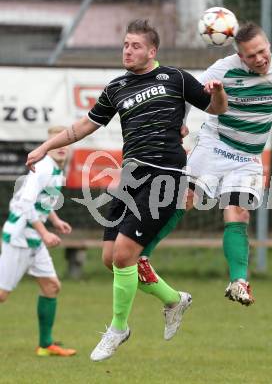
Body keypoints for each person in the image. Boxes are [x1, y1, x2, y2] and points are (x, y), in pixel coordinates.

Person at [26, 19, 227, 362]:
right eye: (125, 45)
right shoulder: (116, 87)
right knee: (111, 260)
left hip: (164, 177)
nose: (128, 51)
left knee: (124, 255)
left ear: (152, 51)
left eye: (135, 46)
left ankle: (119, 328)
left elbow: (217, 108)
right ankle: (173, 299)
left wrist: (218, 91)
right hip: (129, 178)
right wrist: (45, 146)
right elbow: (81, 127)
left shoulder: (175, 78)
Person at [135, 21, 272, 307]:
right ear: (240, 56)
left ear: (268, 44)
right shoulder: (223, 68)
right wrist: (180, 124)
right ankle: (140, 257)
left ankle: (238, 282)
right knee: (184, 198)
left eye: (261, 51)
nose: (258, 59)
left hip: (248, 157)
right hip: (215, 145)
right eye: (250, 55)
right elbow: (186, 93)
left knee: (238, 211)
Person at [0, 126, 76, 357]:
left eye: (66, 141)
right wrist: (45, 233)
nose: (62, 146)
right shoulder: (42, 167)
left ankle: (45, 345)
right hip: (20, 238)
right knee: (2, 294)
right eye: (56, 141)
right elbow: (24, 203)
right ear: (48, 144)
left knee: (52, 287)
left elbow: (43, 202)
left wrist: (55, 219)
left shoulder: (56, 169)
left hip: (34, 238)